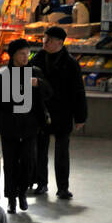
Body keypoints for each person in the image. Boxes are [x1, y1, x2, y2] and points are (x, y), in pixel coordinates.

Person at [0, 38, 49, 214]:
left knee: (28, 163)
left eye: (27, 53)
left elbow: (50, 92)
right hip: (8, 129)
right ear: (13, 55)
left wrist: (39, 84)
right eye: (22, 53)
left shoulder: (34, 73)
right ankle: (11, 198)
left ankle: (22, 193)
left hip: (30, 129)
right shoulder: (3, 75)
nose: (25, 57)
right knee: (10, 165)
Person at [30, 25, 87, 200]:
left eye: (48, 40)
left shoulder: (70, 63)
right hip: (42, 111)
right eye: (44, 39)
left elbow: (78, 91)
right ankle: (41, 183)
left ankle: (63, 187)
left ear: (60, 43)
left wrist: (80, 117)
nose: (44, 43)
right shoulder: (37, 58)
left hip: (63, 112)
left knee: (62, 151)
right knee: (40, 149)